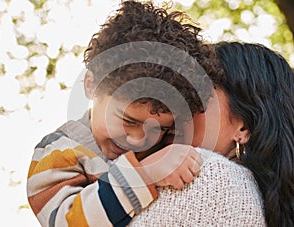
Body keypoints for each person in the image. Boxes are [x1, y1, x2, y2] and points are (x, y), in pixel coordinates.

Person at [26, 1, 220, 226]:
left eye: (159, 128)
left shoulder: (159, 146)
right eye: (128, 120)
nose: (137, 139)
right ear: (91, 86)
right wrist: (145, 174)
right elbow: (65, 221)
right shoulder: (58, 151)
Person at [130, 42, 294, 226]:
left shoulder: (210, 176)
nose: (178, 106)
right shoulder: (255, 196)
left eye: (196, 94)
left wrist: (137, 175)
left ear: (243, 126)